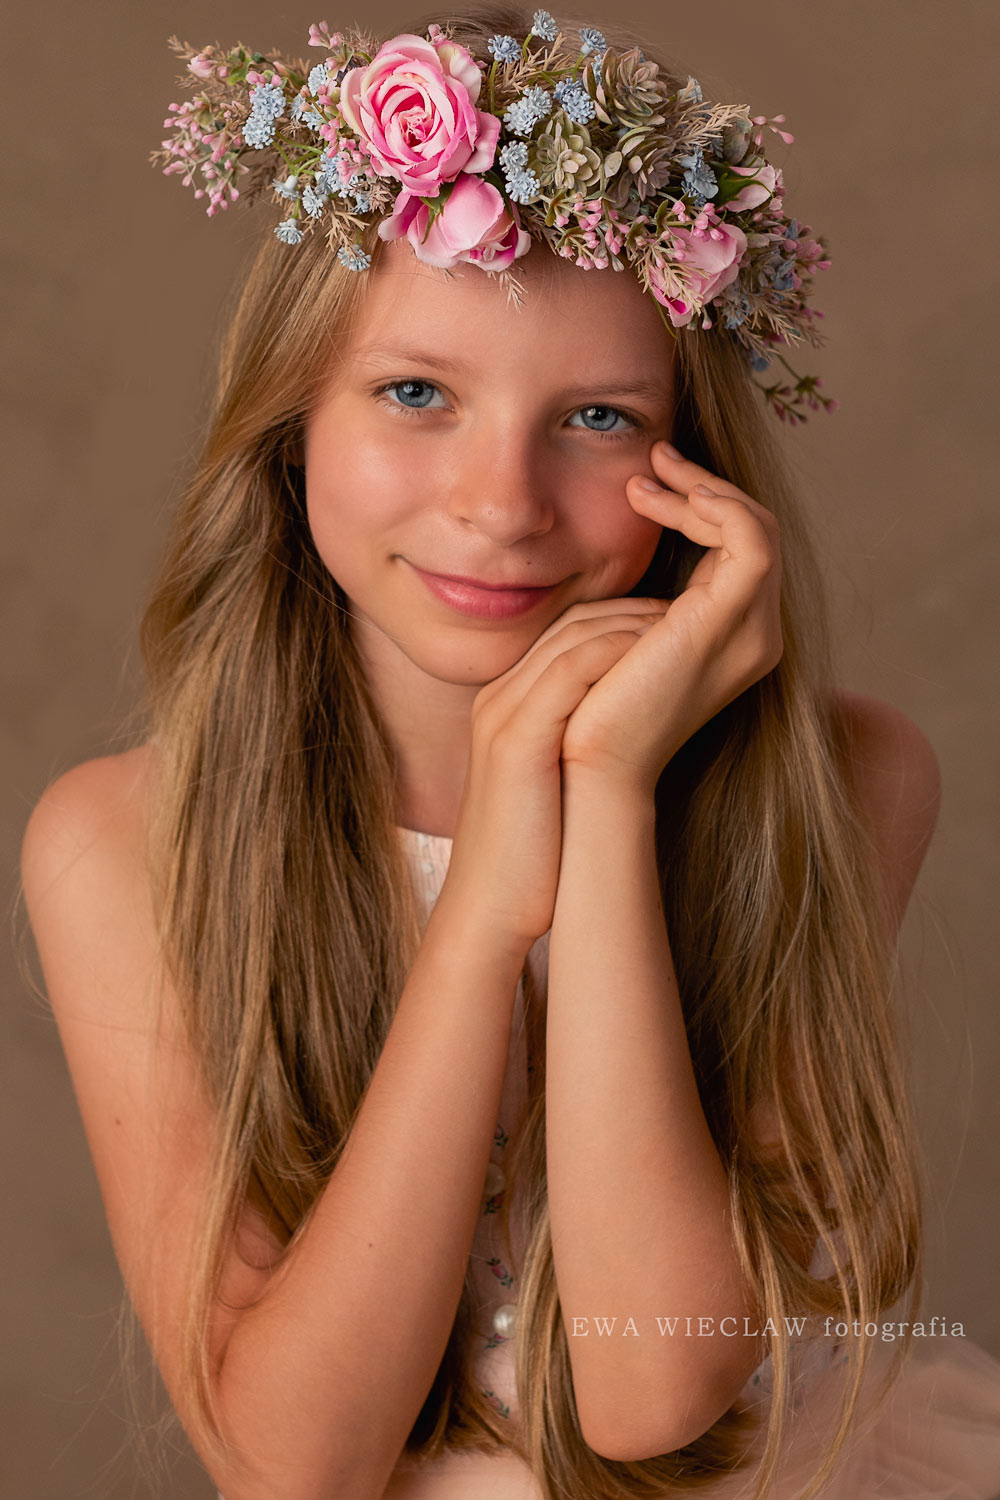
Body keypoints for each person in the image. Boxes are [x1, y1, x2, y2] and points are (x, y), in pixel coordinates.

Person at [20, 6, 1000, 1498]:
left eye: (597, 417)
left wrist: (603, 789)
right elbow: (294, 1468)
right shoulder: (124, 840)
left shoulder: (842, 780)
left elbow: (652, 1389)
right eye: (416, 393)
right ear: (292, 422)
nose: (501, 503)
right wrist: (481, 907)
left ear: (693, 464)